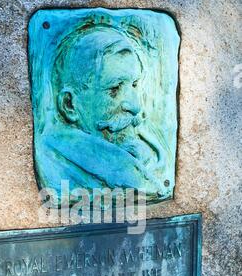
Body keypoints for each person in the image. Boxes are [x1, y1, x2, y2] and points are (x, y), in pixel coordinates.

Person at [34, 25, 169, 201]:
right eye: (114, 89)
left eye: (135, 84)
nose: (135, 106)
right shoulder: (53, 164)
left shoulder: (152, 154)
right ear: (70, 105)